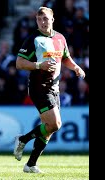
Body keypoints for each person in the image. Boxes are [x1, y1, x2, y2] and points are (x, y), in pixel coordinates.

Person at [14, 7, 85, 173]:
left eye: (45, 18)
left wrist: (75, 67)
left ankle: (31, 164)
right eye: (39, 19)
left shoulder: (60, 38)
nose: (43, 22)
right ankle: (22, 140)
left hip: (55, 87)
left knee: (48, 129)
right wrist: (39, 65)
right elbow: (19, 63)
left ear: (52, 19)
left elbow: (65, 58)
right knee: (55, 124)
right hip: (39, 87)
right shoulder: (33, 39)